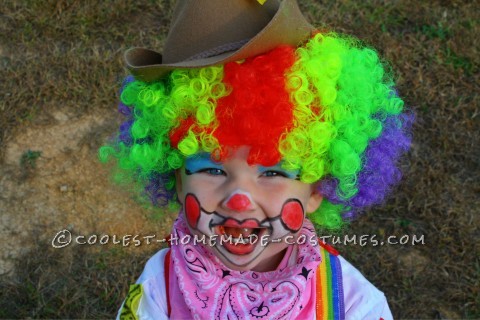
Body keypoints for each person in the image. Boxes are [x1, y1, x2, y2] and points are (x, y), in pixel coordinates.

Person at [100, 0, 412, 318]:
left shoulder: (352, 303)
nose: (240, 199)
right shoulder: (158, 290)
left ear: (318, 187)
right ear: (177, 181)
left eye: (274, 172)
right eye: (211, 168)